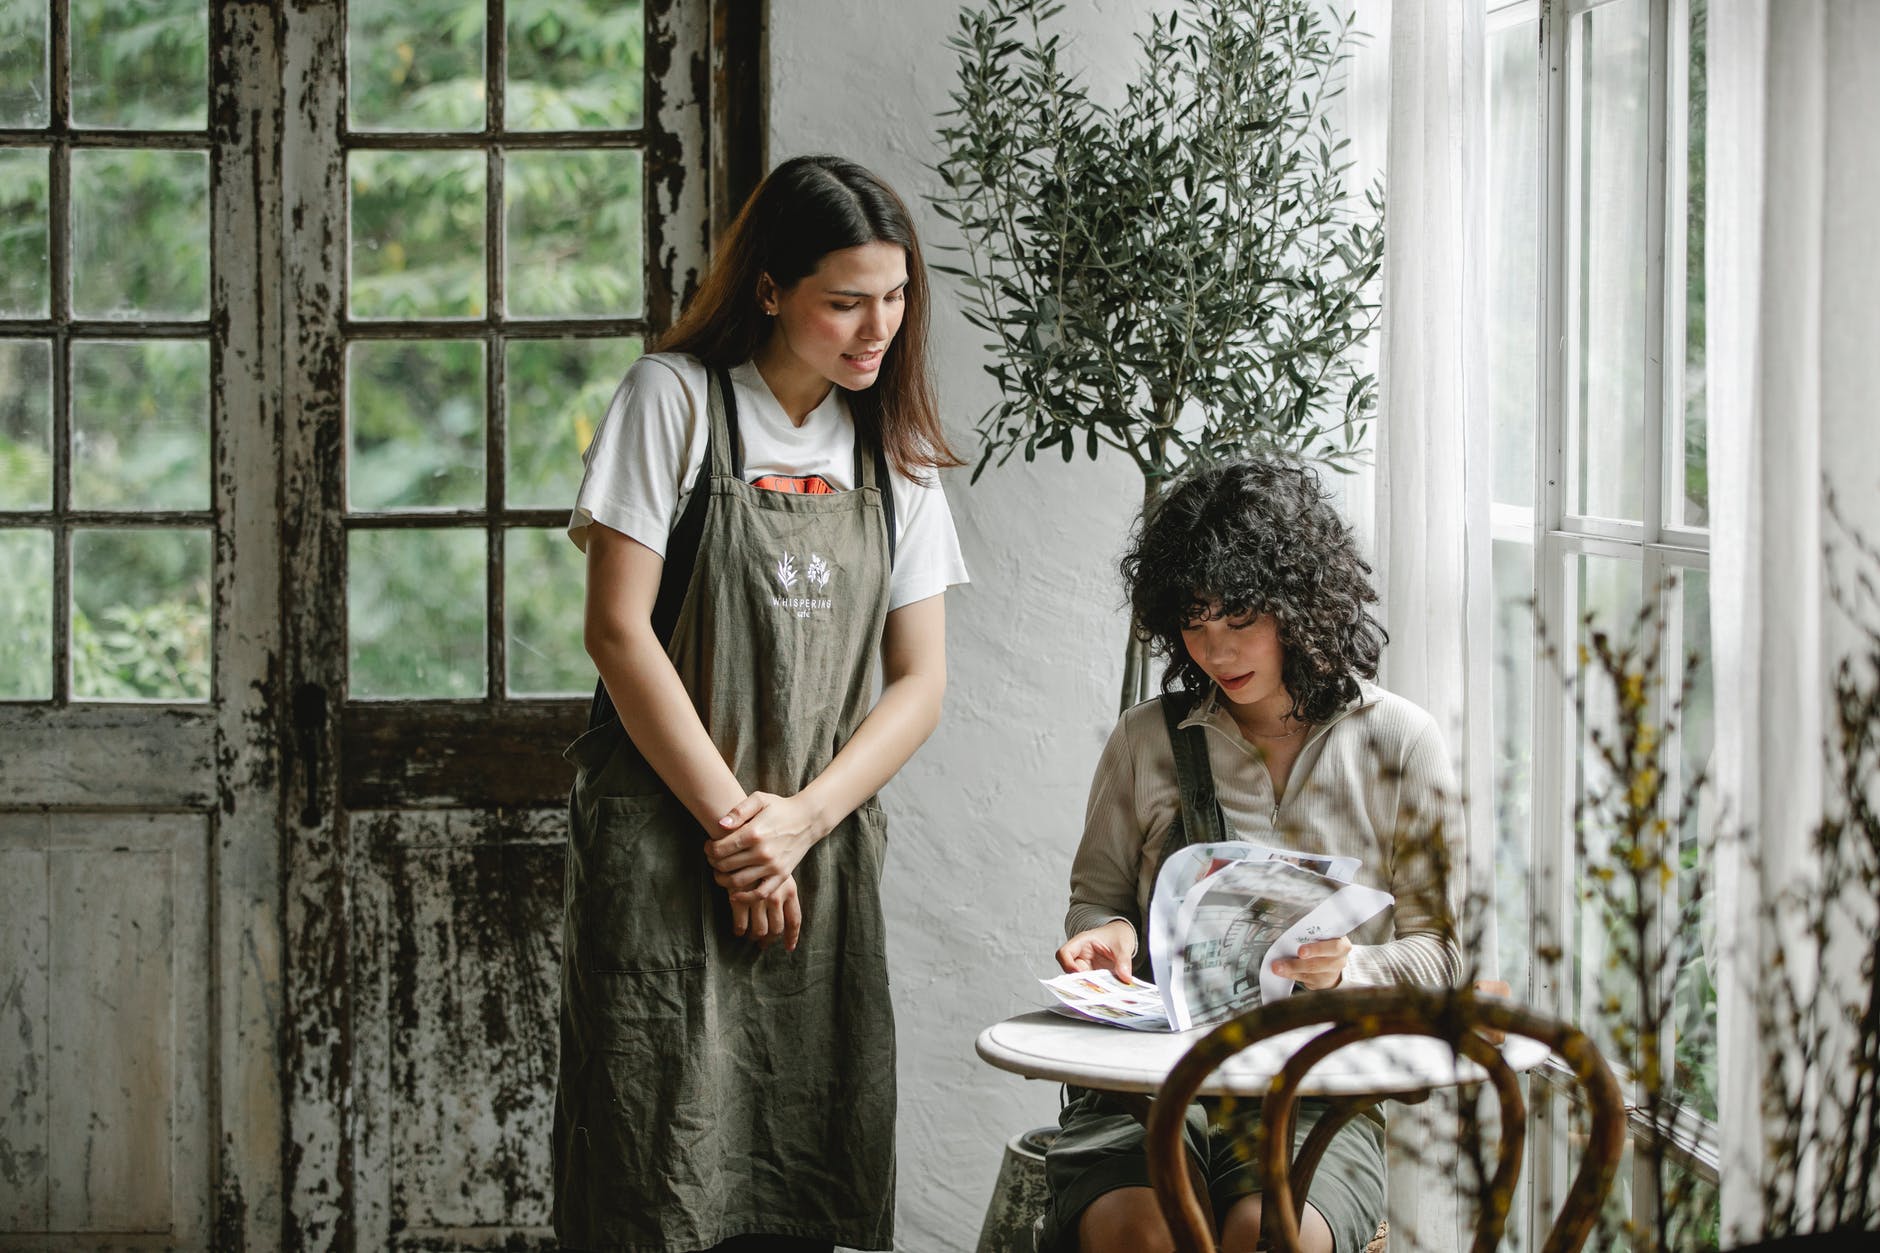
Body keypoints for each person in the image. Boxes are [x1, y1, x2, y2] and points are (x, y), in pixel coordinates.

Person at [553, 155, 969, 1253]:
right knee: (656, 1171)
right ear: (772, 289)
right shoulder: (672, 400)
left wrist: (800, 822)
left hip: (819, 858)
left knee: (802, 1173)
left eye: (895, 296)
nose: (875, 326)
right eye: (844, 301)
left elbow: (918, 683)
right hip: (666, 844)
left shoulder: (895, 449)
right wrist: (741, 828)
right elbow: (617, 630)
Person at [1041, 457, 1464, 1253]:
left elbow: (1441, 956)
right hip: (1147, 1084)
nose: (1214, 648)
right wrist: (1109, 937)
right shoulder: (1146, 739)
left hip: (1313, 1092)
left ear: (1298, 602)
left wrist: (1348, 968)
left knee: (1271, 1237)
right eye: (1194, 620)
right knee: (1141, 1233)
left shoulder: (1400, 743)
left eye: (1239, 617)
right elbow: (1095, 899)